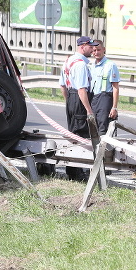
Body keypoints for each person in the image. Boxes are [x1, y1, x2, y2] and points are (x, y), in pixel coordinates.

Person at [59, 36, 97, 180]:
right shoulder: (80, 64)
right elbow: (82, 89)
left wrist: (69, 101)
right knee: (80, 135)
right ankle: (75, 172)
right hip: (79, 99)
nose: (93, 49)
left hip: (71, 98)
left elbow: (62, 85)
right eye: (90, 46)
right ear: (83, 46)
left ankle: (73, 169)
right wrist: (88, 110)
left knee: (73, 134)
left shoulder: (68, 61)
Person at [89, 39, 120, 135]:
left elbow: (115, 88)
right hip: (94, 99)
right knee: (93, 129)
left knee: (103, 129)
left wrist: (114, 107)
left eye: (98, 50)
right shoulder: (92, 66)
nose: (96, 52)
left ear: (103, 49)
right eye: (94, 50)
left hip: (105, 99)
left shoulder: (110, 65)